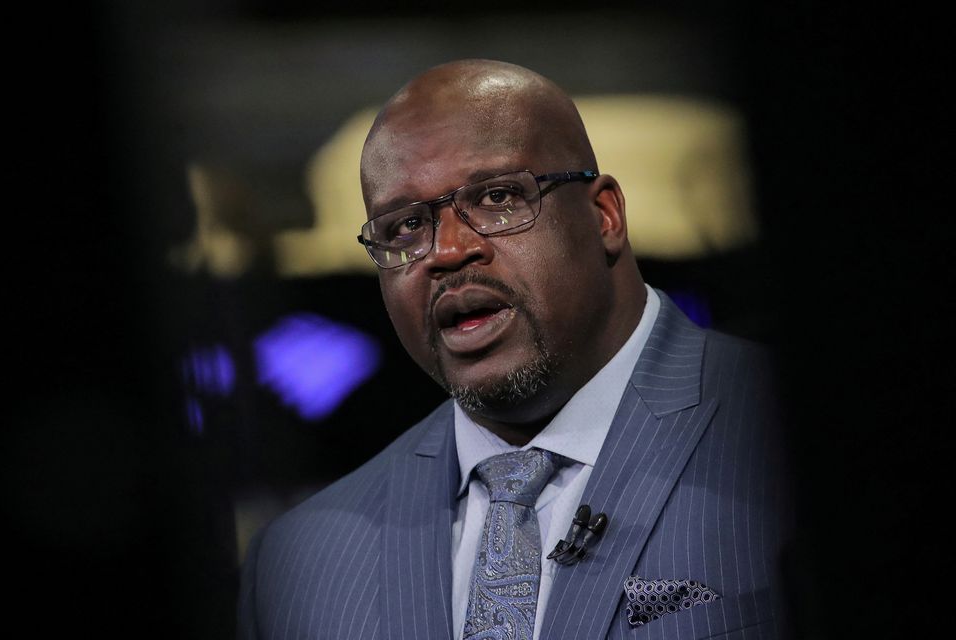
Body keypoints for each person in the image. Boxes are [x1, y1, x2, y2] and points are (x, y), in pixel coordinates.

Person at [238, 59, 792, 640]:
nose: (448, 251)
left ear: (604, 216)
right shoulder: (299, 564)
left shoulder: (785, 434)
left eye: (498, 197)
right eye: (404, 227)